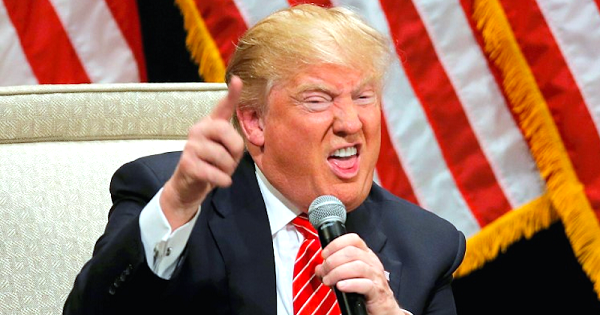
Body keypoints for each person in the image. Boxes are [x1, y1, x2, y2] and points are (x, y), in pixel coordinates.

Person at [64, 4, 465, 315]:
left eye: (363, 97)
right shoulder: (174, 199)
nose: (350, 123)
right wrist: (176, 206)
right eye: (318, 100)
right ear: (254, 121)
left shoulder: (426, 245)